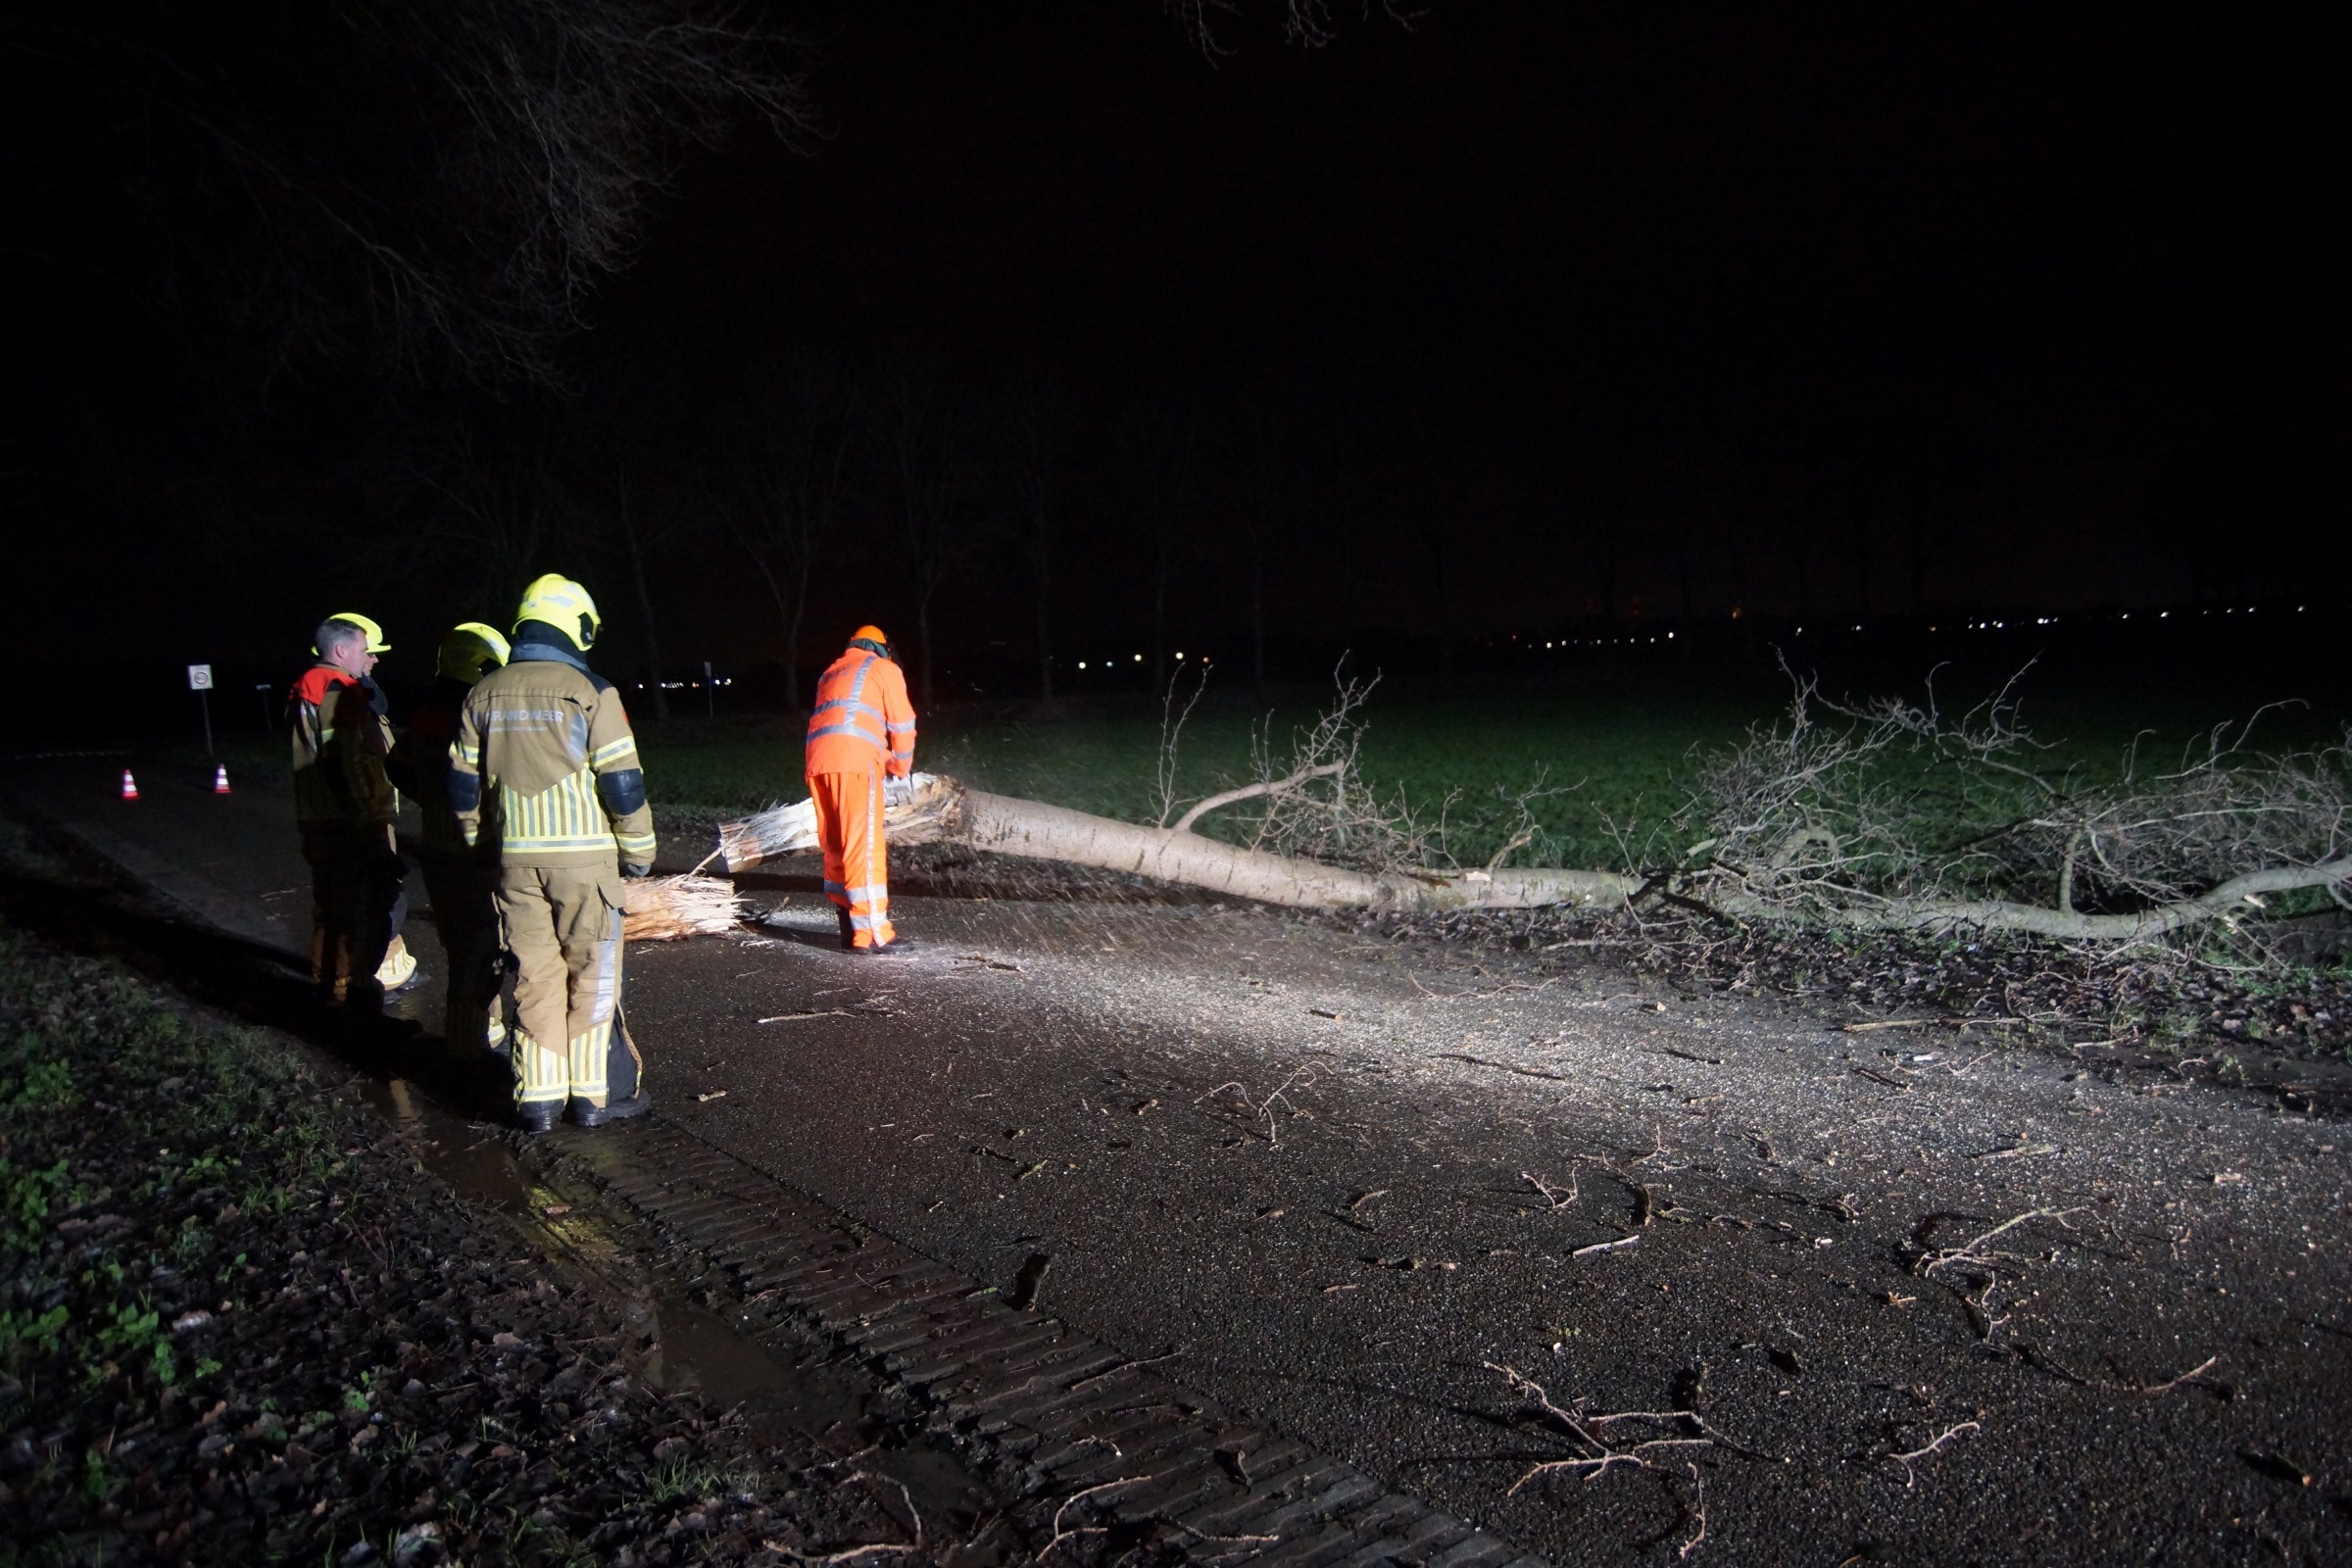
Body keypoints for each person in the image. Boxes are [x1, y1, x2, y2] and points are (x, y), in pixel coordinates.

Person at [450, 574, 656, 1132]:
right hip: (586, 863)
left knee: (534, 974)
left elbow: (463, 788)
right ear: (578, 626)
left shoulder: (481, 694)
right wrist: (639, 853)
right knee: (592, 973)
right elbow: (622, 783)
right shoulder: (591, 691)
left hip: (515, 862)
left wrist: (480, 848)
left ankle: (537, 1098)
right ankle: (590, 1099)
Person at [388, 621, 511, 1063]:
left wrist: (432, 802)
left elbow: (396, 766)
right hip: (472, 854)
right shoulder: (473, 715)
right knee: (482, 951)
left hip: (439, 851)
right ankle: (469, 1049)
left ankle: (481, 1035)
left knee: (462, 947)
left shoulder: (425, 715)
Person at [288, 612, 414, 1021]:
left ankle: (330, 992)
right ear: (341, 651)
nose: (373, 659)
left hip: (322, 820)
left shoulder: (311, 687)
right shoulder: (338, 692)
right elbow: (348, 762)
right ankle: (352, 999)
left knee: (332, 907)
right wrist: (370, 826)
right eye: (366, 651)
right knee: (364, 908)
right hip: (350, 823)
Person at [806, 624, 917, 954]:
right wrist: (899, 768)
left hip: (818, 762)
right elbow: (902, 724)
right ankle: (873, 935)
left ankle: (848, 924)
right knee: (863, 846)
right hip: (856, 764)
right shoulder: (884, 669)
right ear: (881, 648)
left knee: (836, 845)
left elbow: (846, 720)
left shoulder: (830, 673)